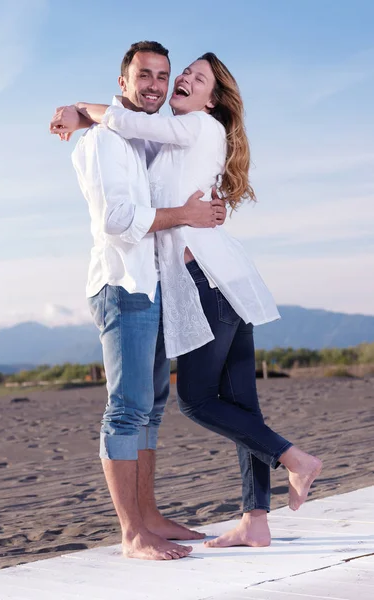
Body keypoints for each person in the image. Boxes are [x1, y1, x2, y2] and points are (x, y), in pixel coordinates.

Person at [50, 51, 322, 549]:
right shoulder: (159, 138)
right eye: (184, 76)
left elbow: (130, 124)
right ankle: (255, 519)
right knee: (241, 405)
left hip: (206, 282)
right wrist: (84, 116)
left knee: (197, 400)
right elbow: (129, 178)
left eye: (194, 79)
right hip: (226, 278)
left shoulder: (190, 127)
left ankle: (293, 458)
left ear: (211, 100)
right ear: (127, 80)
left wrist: (83, 109)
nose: (177, 83)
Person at [50, 41, 227, 561]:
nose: (154, 85)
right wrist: (184, 215)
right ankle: (132, 534)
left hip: (151, 284)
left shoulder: (139, 136)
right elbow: (117, 220)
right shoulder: (107, 142)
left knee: (150, 406)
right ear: (124, 81)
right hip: (122, 285)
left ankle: (149, 516)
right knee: (125, 411)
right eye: (143, 75)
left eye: (162, 75)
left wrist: (77, 110)